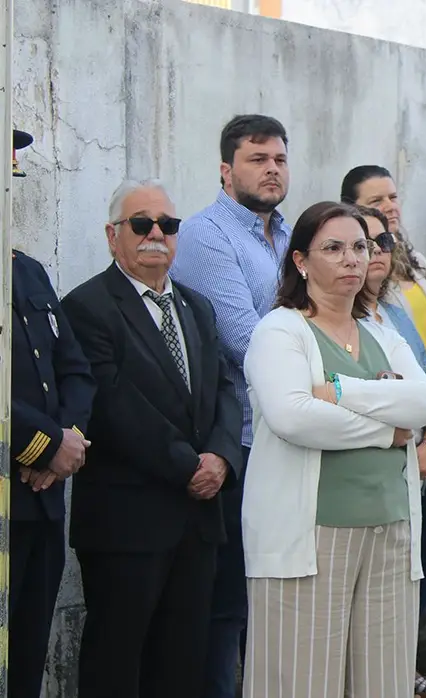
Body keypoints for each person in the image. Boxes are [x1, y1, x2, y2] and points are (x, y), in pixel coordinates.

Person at [241, 202, 426, 696]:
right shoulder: (280, 330)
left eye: (360, 247)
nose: (352, 258)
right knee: (300, 682)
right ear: (301, 261)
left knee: (383, 683)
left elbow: (421, 403)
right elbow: (293, 417)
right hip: (308, 538)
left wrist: (340, 390)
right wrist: (385, 432)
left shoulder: (381, 333)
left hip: (391, 529)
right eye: (333, 248)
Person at [61, 179, 243, 697]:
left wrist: (222, 457)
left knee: (182, 662)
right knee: (117, 662)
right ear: (112, 235)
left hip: (197, 520)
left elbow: (224, 390)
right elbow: (114, 406)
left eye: (168, 224)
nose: (156, 234)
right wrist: (189, 466)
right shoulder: (88, 306)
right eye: (141, 224)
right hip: (128, 522)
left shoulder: (197, 306)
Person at [170, 114, 294, 693]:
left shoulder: (293, 236)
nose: (272, 170)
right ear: (226, 170)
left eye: (279, 160)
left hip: (295, 436)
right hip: (240, 442)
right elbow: (247, 341)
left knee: (277, 600)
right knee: (227, 606)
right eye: (257, 159)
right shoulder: (206, 235)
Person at [8, 127, 96, 698]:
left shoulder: (27, 269)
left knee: (26, 654)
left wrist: (67, 441)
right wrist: (43, 443)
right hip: (9, 484)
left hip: (40, 501)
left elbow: (75, 368)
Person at [353, 204, 426, 698]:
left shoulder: (394, 310)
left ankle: (397, 663)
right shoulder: (341, 317)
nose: (376, 251)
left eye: (384, 241)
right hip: (376, 464)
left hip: (422, 459)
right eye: (364, 242)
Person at [341, 165, 426, 351]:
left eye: (393, 197)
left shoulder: (416, 260)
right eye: (376, 201)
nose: (390, 206)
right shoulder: (354, 269)